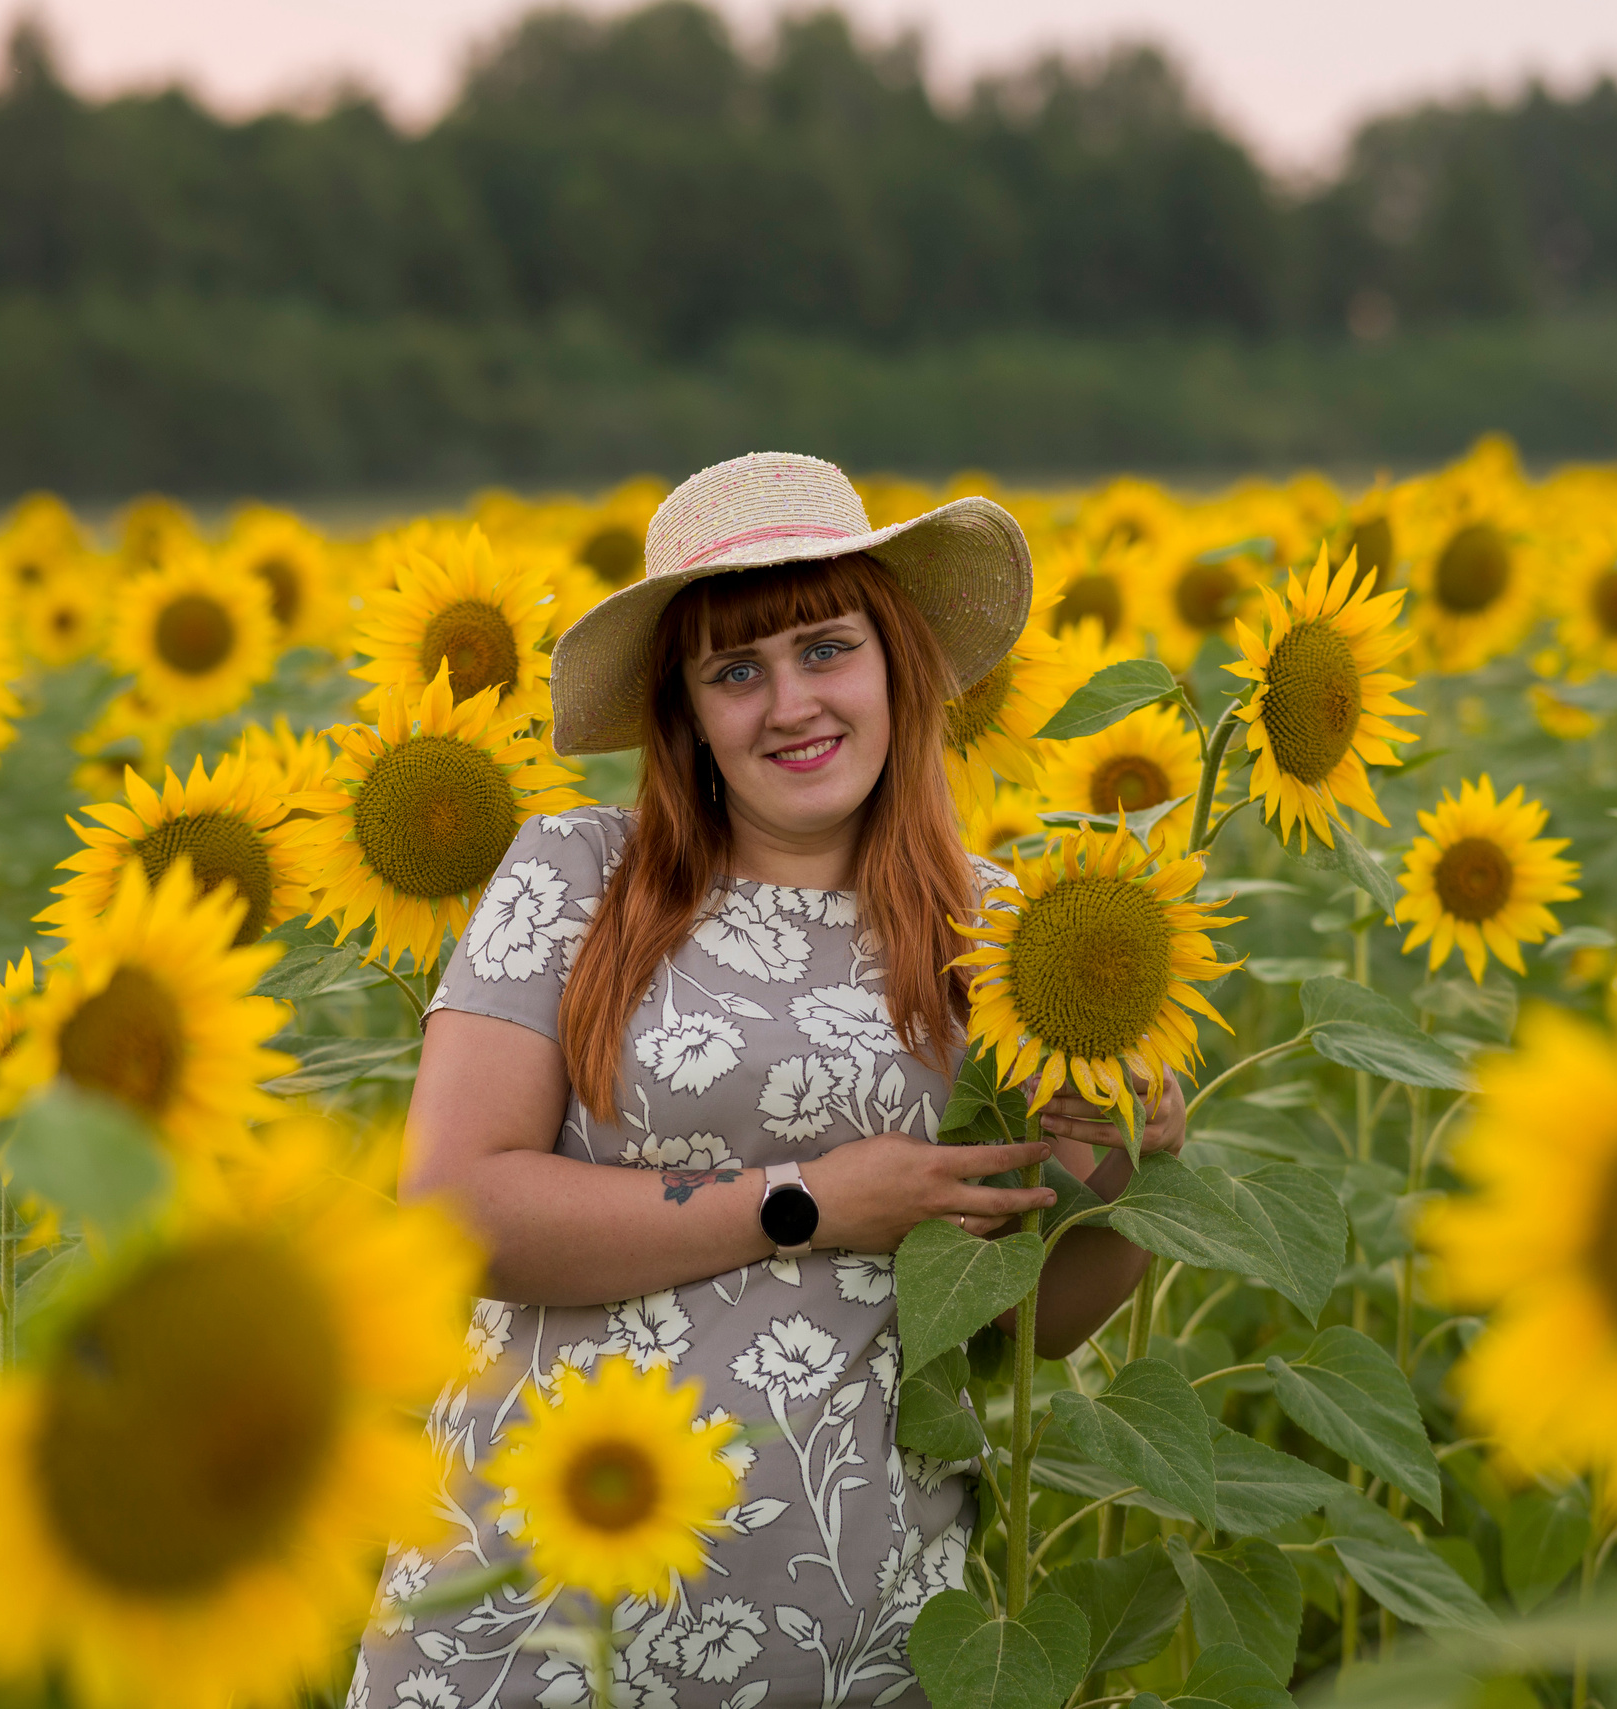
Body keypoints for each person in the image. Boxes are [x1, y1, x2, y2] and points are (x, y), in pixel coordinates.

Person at [350, 452, 1187, 1709]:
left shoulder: (1013, 939)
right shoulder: (577, 874)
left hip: (857, 1648)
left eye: (823, 649)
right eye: (735, 670)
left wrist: (1126, 1163)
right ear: (685, 717)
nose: (789, 702)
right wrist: (805, 1199)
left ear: (896, 664)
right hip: (534, 1619)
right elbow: (456, 1210)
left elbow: (1025, 1320)